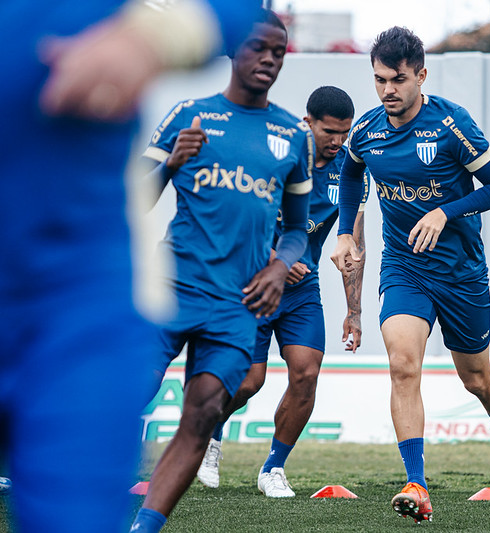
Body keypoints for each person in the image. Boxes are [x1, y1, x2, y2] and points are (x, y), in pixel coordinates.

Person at [0, 1, 261, 532]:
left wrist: (150, 37)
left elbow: (239, 8)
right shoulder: (189, 120)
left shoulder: (275, 133)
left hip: (75, 303)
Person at [330, 26, 490, 524]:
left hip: (461, 273)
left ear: (421, 75)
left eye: (397, 80)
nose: (387, 90)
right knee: (402, 365)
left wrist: (446, 212)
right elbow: (351, 172)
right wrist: (347, 233)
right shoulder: (368, 130)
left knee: (477, 379)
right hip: (404, 268)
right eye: (378, 80)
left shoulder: (452, 125)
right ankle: (416, 482)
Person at [129, 9, 313, 532]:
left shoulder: (291, 136)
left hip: (238, 304)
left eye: (279, 51)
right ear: (235, 48)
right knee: (129, 388)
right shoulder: (191, 116)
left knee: (205, 409)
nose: (270, 59)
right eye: (260, 48)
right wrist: (168, 164)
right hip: (172, 288)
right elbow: (134, 199)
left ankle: (146, 526)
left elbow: (297, 229)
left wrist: (280, 267)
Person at [195, 85, 369, 497]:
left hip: (302, 289)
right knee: (249, 381)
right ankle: (210, 436)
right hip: (253, 282)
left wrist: (355, 310)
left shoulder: (349, 172)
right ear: (307, 123)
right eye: (329, 131)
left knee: (307, 374)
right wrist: (277, 258)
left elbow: (352, 247)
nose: (336, 142)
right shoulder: (276, 154)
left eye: (344, 134)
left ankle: (273, 468)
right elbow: (235, 219)